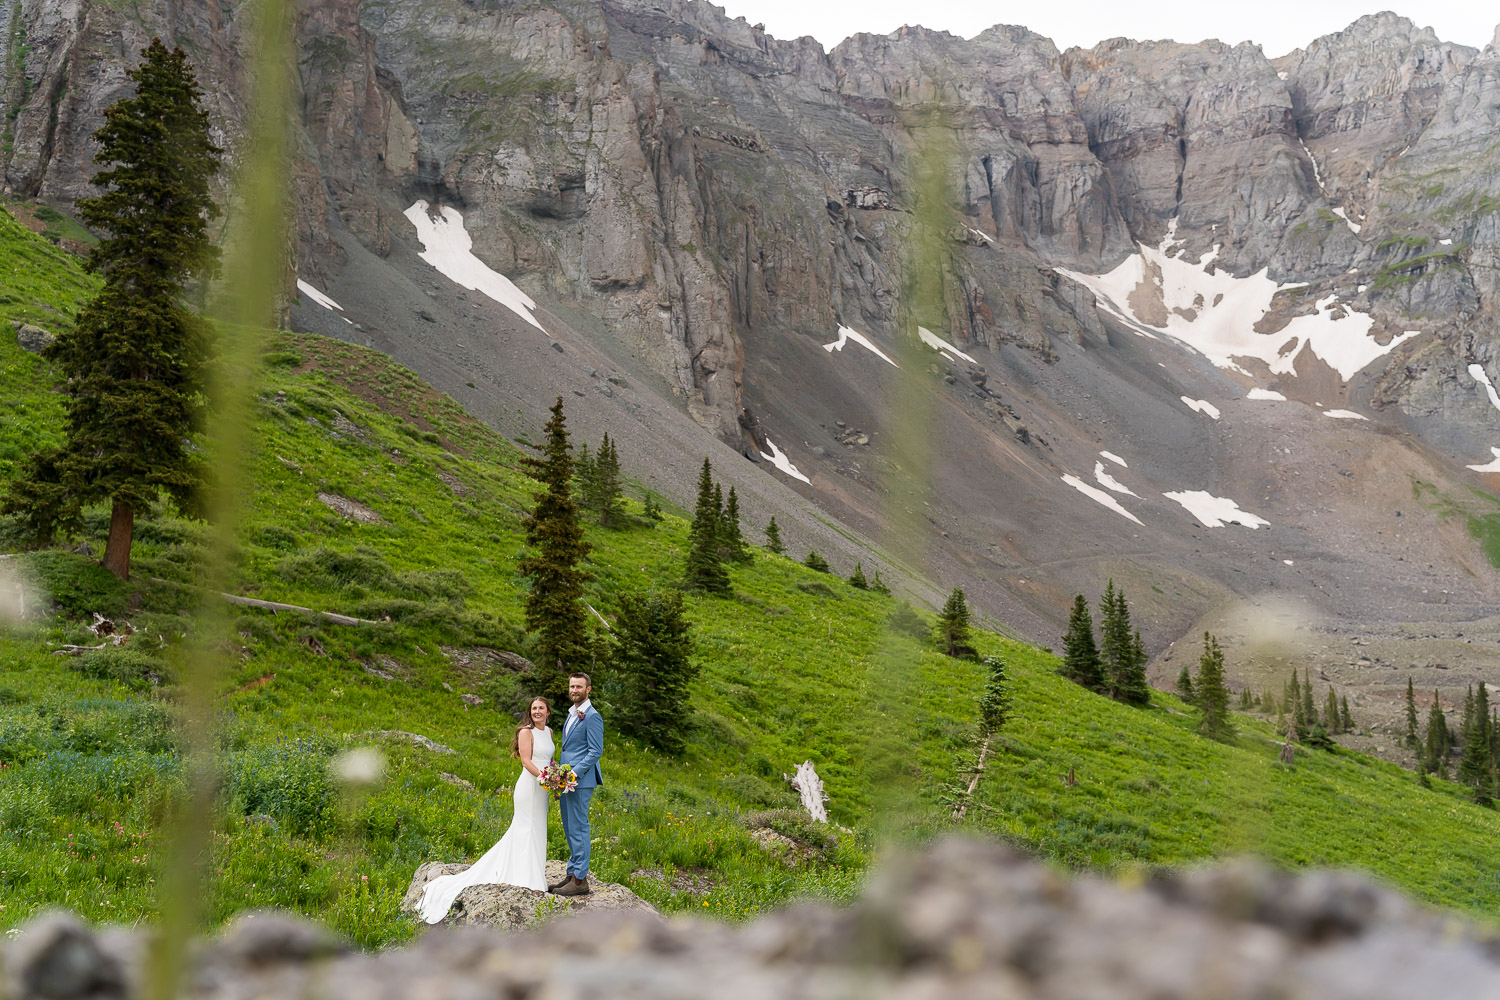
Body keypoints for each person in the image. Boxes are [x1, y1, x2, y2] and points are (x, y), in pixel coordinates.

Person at [417, 696, 554, 921]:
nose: (537, 711)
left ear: (548, 711)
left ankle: (535, 874)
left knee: (538, 829)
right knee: (525, 828)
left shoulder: (548, 732)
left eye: (541, 708)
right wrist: (546, 777)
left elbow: (547, 758)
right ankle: (527, 878)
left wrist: (555, 777)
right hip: (530, 787)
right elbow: (527, 761)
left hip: (543, 788)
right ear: (530, 712)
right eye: (533, 709)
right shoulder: (525, 732)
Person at [550, 672, 603, 897]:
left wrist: (573, 773)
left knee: (579, 827)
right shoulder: (573, 713)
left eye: (579, 687)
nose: (574, 690)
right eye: (572, 686)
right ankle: (572, 874)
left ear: (588, 689)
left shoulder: (591, 716)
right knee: (570, 826)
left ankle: (580, 881)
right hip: (566, 780)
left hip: (579, 781)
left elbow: (595, 751)